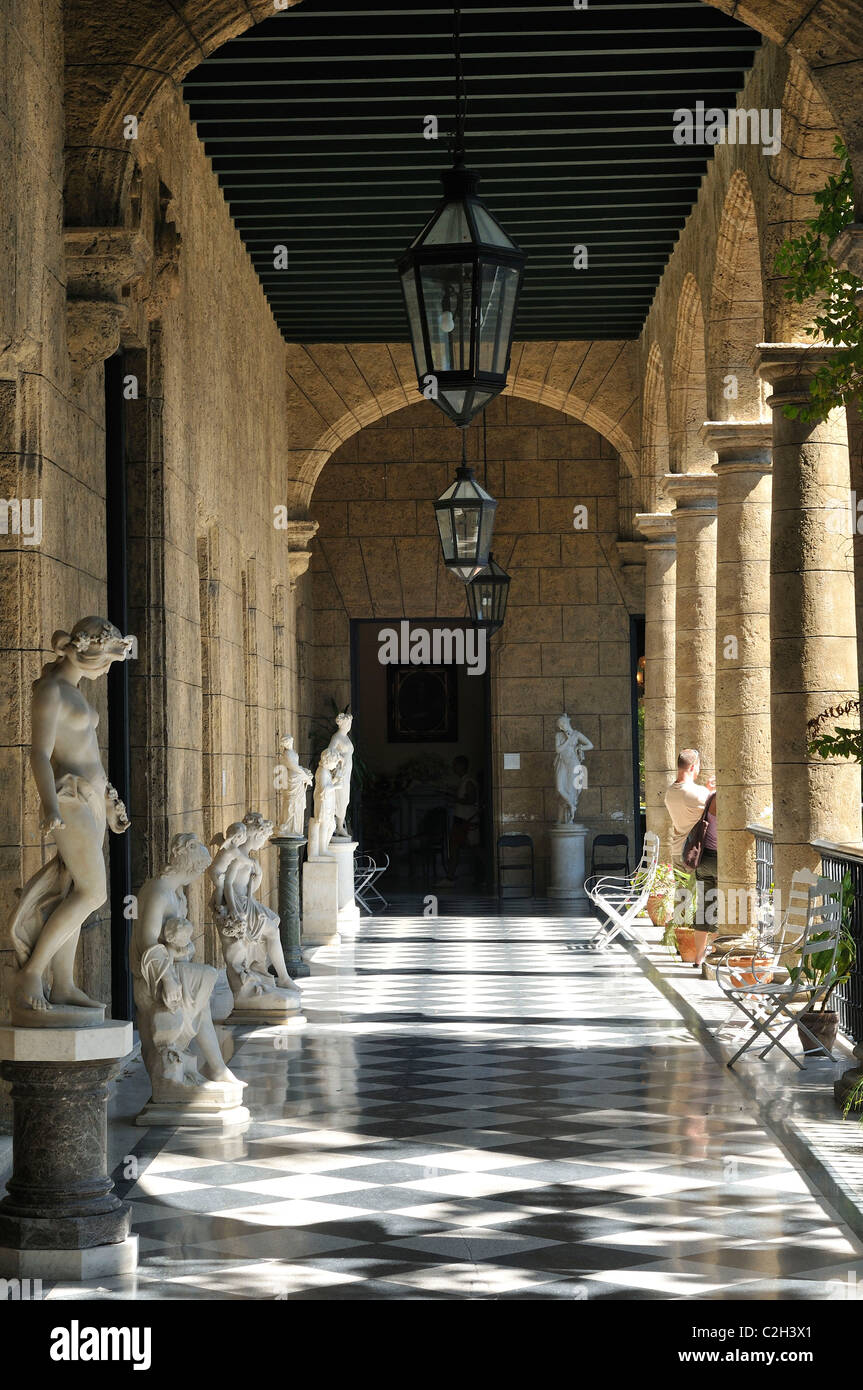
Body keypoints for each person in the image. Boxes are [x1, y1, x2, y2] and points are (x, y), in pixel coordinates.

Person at [664, 748, 716, 967]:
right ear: (693, 767)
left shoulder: (670, 792)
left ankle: (681, 945)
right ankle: (698, 950)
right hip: (696, 853)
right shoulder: (697, 794)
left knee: (683, 898)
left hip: (677, 849)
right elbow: (714, 806)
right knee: (705, 900)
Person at [436, 755, 479, 886]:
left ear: (462, 766)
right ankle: (451, 876)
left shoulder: (469, 782)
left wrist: (454, 798)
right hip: (461, 820)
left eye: (455, 765)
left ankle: (452, 877)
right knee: (455, 848)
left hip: (466, 821)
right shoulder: (463, 781)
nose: (453, 768)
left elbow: (471, 800)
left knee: (472, 848)